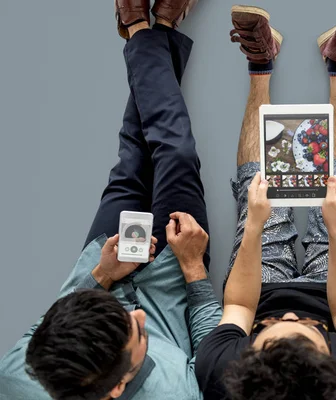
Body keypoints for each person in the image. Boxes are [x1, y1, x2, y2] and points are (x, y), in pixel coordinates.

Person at [0, 1, 222, 399]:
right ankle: (147, 29)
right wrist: (194, 270)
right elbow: (210, 355)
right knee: (175, 152)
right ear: (118, 387)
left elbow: (45, 328)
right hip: (177, 267)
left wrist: (100, 277)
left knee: (135, 147)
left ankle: (144, 27)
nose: (135, 314)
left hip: (108, 254)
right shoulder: (175, 394)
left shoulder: (15, 379)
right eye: (137, 331)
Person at [194, 5, 336, 400]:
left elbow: (237, 303)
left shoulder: (221, 370)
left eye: (275, 330)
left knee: (258, 183)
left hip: (258, 292)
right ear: (333, 361)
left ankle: (260, 67)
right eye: (302, 328)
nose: (289, 316)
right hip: (332, 293)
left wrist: (253, 225)